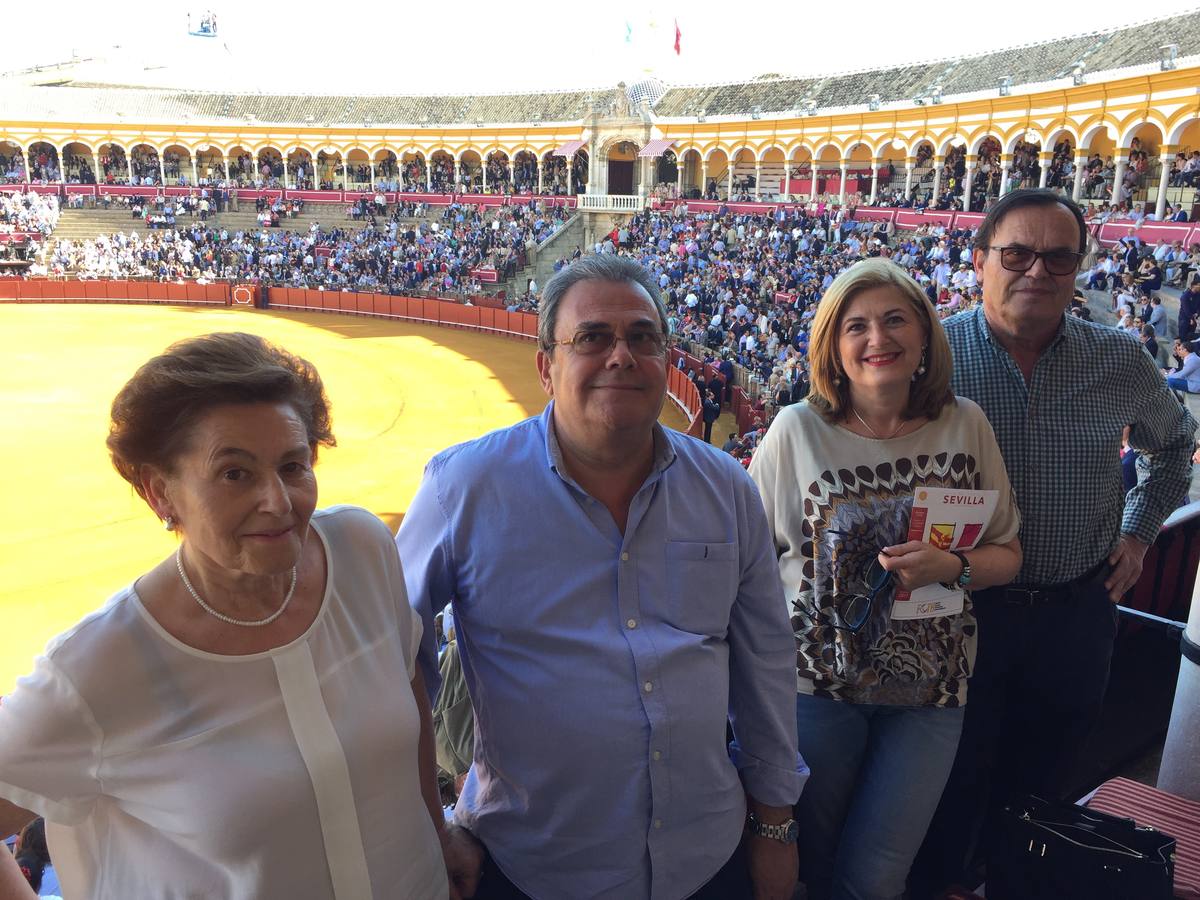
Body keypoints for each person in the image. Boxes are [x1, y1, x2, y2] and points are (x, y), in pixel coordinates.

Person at [397, 254, 806, 900]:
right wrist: (425, 825)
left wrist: (776, 826)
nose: (621, 356)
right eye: (592, 337)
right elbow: (395, 661)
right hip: (531, 868)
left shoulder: (725, 487)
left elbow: (766, 663)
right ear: (546, 366)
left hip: (708, 859)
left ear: (665, 359)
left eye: (641, 337)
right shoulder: (463, 488)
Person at [0, 332, 453, 899]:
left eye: (293, 465)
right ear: (160, 493)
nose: (278, 501)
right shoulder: (96, 667)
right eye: (235, 473)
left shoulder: (361, 548)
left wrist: (438, 835)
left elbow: (405, 686)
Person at [910, 189, 1196, 897]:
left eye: (1058, 257)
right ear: (978, 262)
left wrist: (1137, 534)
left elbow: (1176, 446)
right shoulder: (930, 357)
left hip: (1077, 611)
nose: (1037, 270)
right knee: (947, 780)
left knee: (1042, 785)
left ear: (1078, 270)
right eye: (1016, 253)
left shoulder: (1121, 360)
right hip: (959, 611)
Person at [749, 258, 1021, 900]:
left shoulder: (965, 424)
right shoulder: (796, 430)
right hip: (816, 690)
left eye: (896, 320)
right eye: (857, 326)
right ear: (832, 345)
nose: (879, 339)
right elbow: (749, 563)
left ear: (925, 334)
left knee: (876, 876)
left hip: (933, 695)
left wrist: (953, 567)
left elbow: (1008, 552)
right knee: (810, 866)